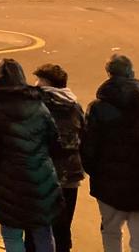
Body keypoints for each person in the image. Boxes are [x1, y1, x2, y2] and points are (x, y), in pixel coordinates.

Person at [81, 54, 139, 252]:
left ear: (109, 74)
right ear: (132, 72)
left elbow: (88, 147)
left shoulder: (97, 109)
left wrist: (96, 173)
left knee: (111, 232)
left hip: (109, 183)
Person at [0, 58, 62, 252]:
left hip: (9, 184)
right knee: (43, 232)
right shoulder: (38, 106)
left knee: (12, 235)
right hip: (40, 179)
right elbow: (55, 142)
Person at [30, 63, 85, 252]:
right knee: (63, 227)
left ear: (47, 84)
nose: (35, 84)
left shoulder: (37, 105)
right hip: (70, 176)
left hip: (41, 175)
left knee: (35, 229)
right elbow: (84, 136)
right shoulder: (74, 106)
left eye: (39, 80)